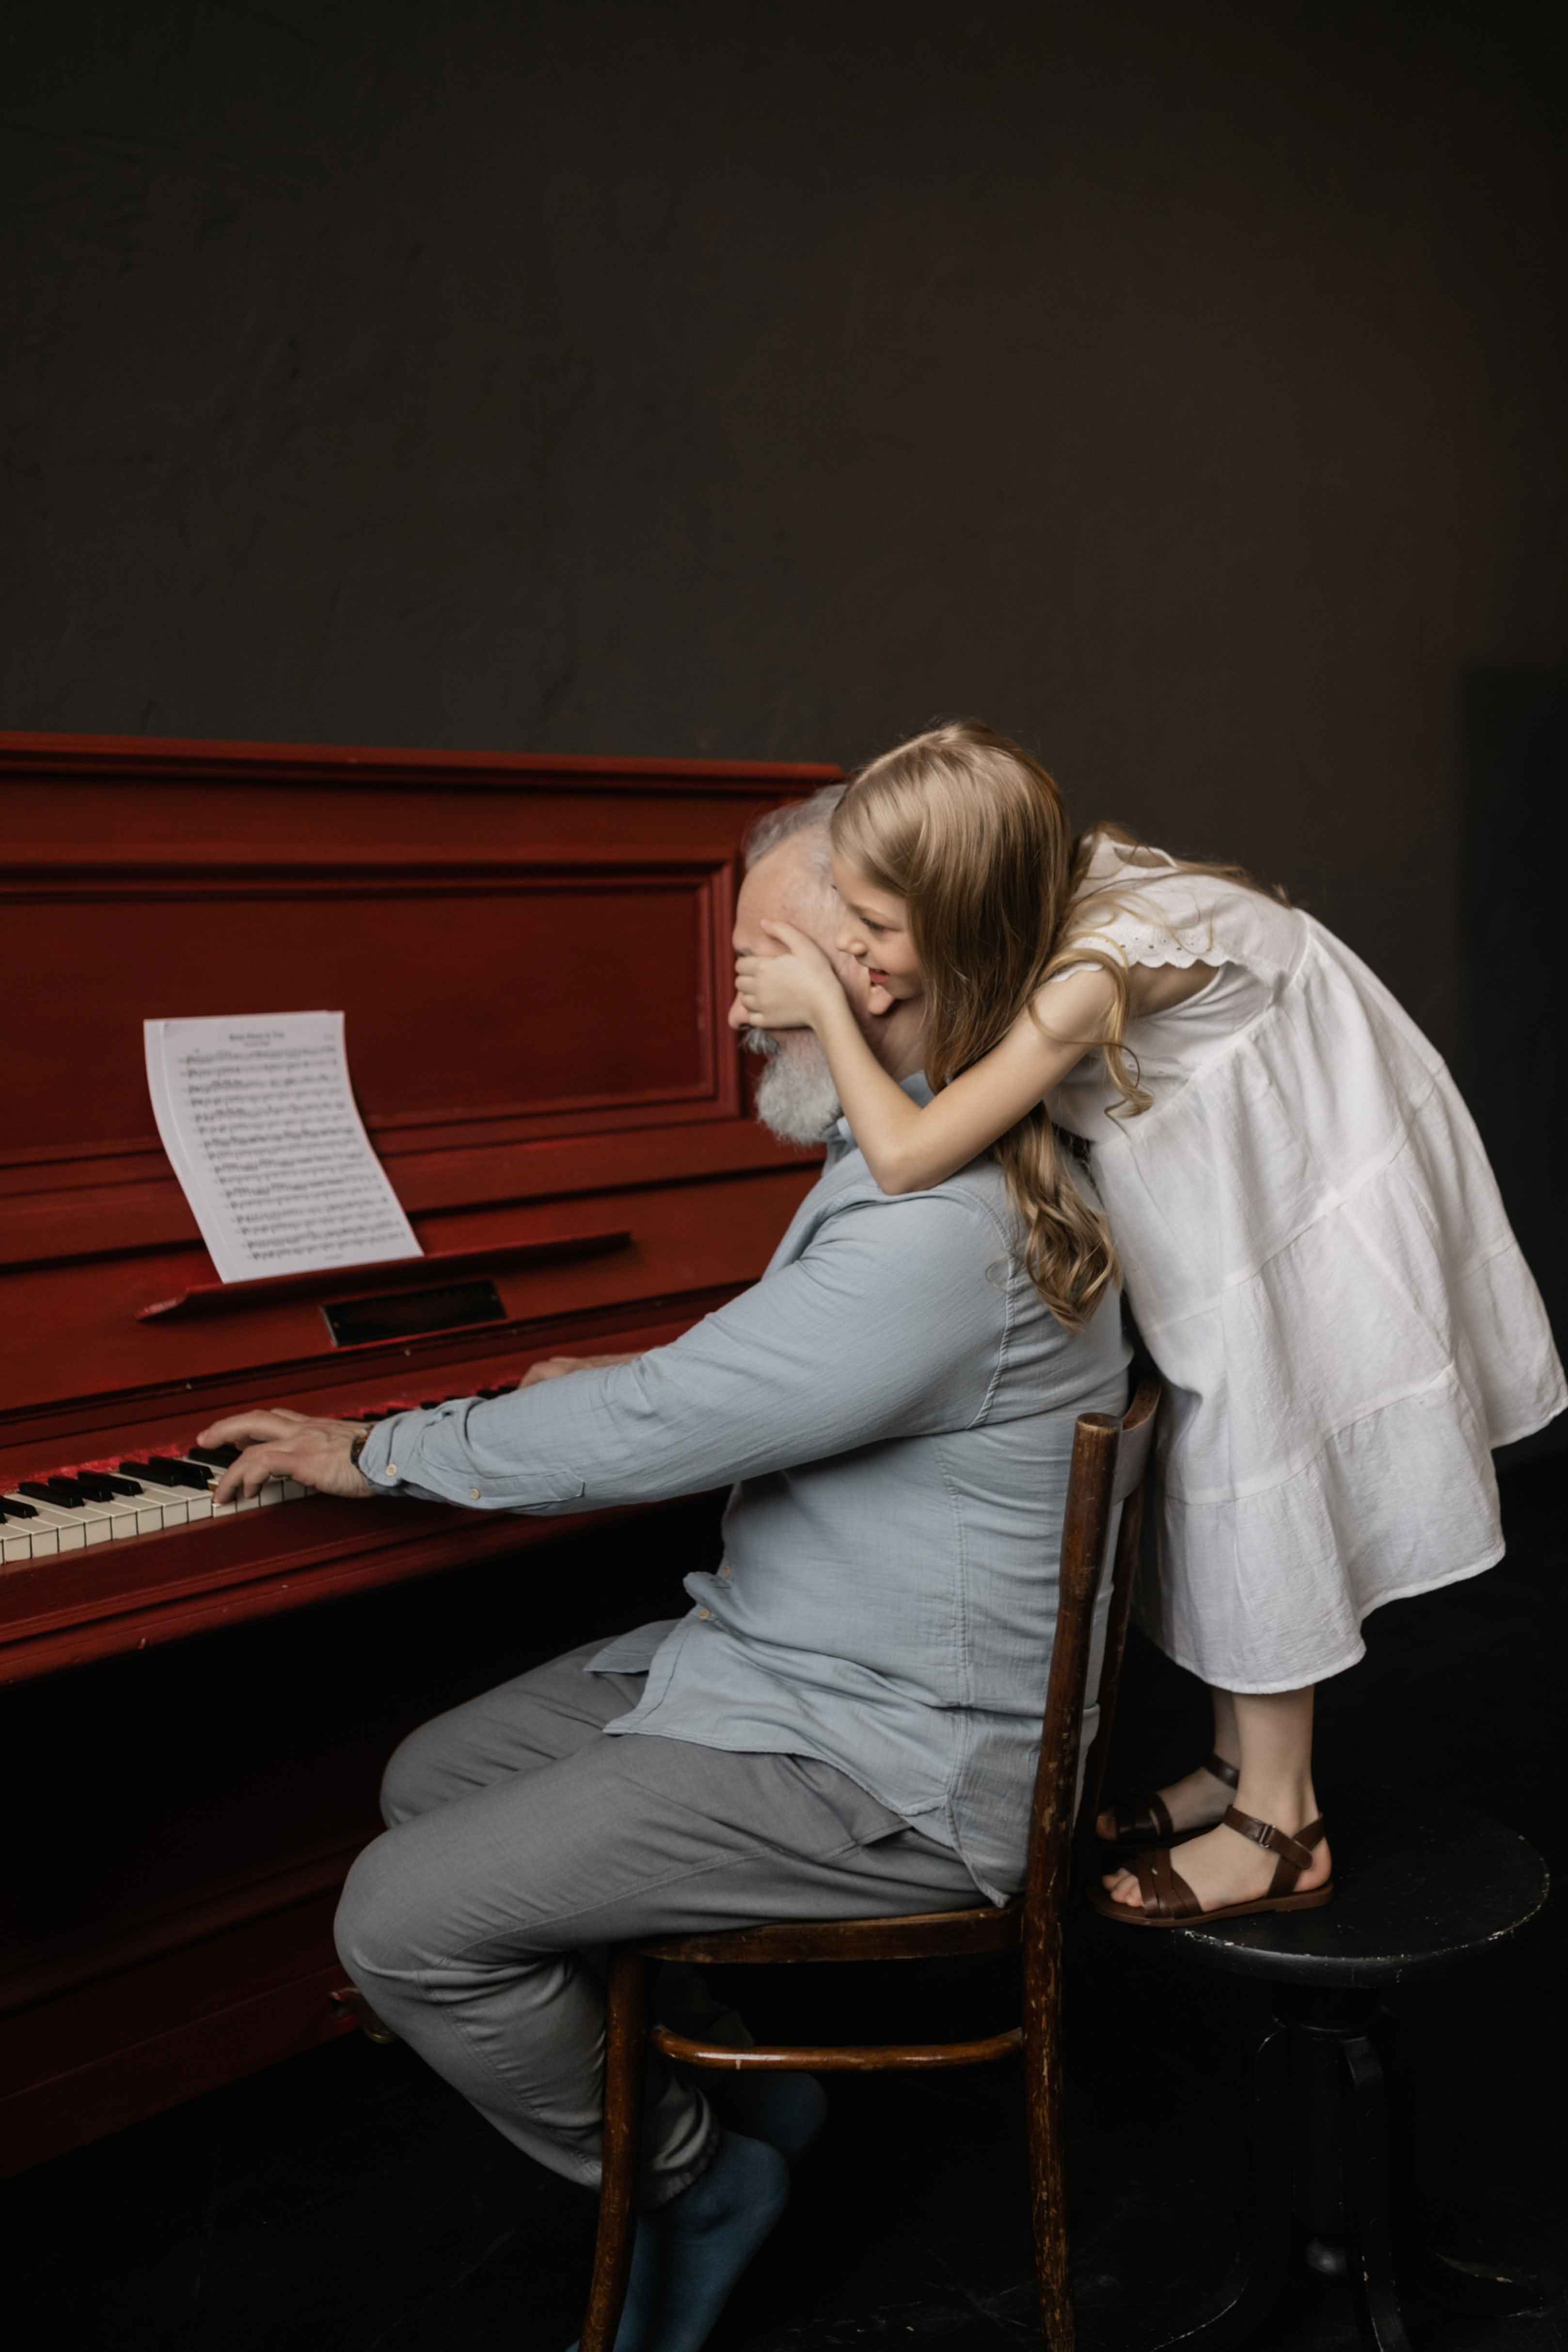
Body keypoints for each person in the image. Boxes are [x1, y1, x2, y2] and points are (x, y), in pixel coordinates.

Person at [197, 786, 1130, 2352]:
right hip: (796, 1665)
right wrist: (632, 1362)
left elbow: (665, 1424)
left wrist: (376, 1448)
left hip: (890, 1763)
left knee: (396, 1921)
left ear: (871, 971)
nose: (730, 993)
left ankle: (693, 2179)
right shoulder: (930, 1145)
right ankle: (717, 2091)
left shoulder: (933, 1229)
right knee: (432, 1775)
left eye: (758, 952)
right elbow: (772, 1366)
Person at [734, 719, 1566, 1929]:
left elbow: (911, 1153)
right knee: (1203, 1458)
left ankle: (1283, 1825)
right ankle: (1237, 1766)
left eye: (875, 929)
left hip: (1298, 1171)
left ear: (973, 906)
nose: (858, 953)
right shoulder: (1038, 909)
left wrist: (813, 988)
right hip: (1222, 1153)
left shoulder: (1086, 977)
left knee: (1254, 1455)